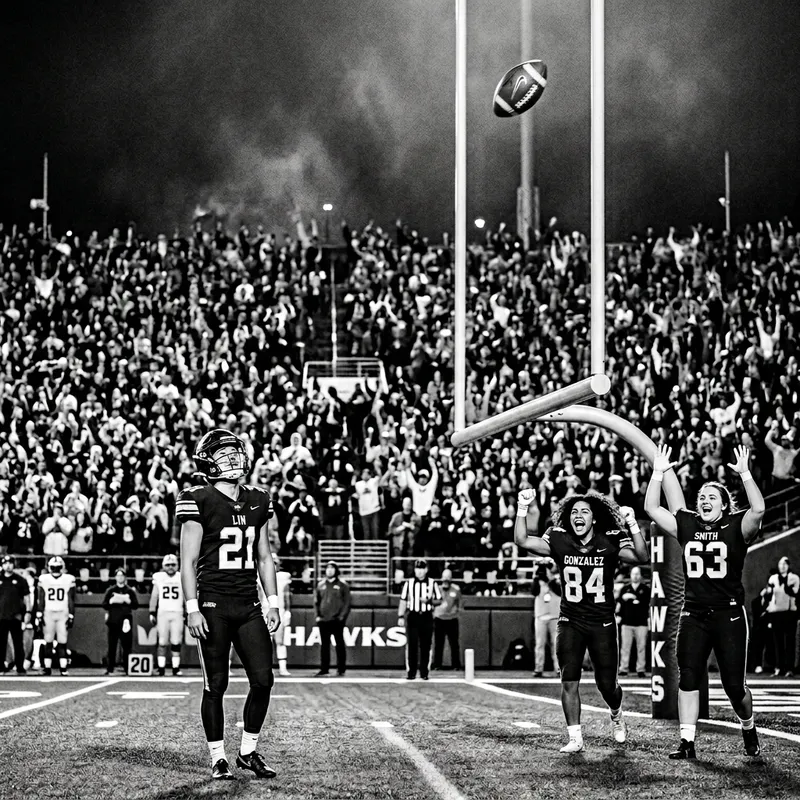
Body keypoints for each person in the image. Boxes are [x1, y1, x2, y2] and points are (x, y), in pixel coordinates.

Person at [645, 444, 765, 759]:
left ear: (725, 506)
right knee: (688, 673)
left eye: (712, 497)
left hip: (728, 614)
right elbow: (653, 509)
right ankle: (687, 742)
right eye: (701, 497)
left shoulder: (736, 526)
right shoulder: (688, 524)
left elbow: (759, 511)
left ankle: (748, 725)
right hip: (694, 613)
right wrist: (658, 472)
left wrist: (745, 474)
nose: (704, 500)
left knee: (734, 688)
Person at [179, 428, 280, 781]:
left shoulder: (257, 498)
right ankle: (218, 757)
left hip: (249, 602)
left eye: (236, 452)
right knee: (216, 684)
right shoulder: (198, 498)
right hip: (212, 603)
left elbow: (265, 556)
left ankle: (248, 752)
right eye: (225, 454)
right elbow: (187, 561)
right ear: (208, 460)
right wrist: (192, 607)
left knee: (263, 680)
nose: (234, 459)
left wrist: (274, 601)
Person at [515, 490, 649, 753]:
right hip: (570, 619)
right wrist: (522, 507)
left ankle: (616, 712)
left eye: (584, 511)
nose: (578, 515)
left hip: (602, 622)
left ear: (594, 519)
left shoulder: (609, 539)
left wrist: (632, 524)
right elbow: (521, 539)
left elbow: (642, 557)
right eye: (574, 511)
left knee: (607, 685)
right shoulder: (559, 538)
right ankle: (575, 737)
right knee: (569, 679)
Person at [398, 559, 442, 681]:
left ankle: (424, 671)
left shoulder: (432, 583)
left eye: (422, 569)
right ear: (415, 570)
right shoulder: (409, 583)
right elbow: (403, 600)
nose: (419, 571)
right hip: (413, 615)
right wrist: (401, 616)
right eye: (417, 569)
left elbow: (439, 600)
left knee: (426, 645)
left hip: (426, 616)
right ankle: (411, 672)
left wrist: (429, 601)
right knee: (412, 644)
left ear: (426, 570)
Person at [35, 556, 76, 676]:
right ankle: (58, 668)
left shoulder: (46, 578)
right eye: (54, 567)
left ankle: (57, 668)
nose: (56, 570)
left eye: (57, 567)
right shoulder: (66, 579)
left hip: (55, 612)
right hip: (56, 612)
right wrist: (72, 614)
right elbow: (71, 600)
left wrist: (39, 613)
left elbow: (41, 599)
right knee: (53, 641)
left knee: (56, 642)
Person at [149, 554, 185, 677]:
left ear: (177, 565)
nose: (170, 567)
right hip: (163, 612)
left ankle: (175, 668)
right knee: (162, 642)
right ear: (163, 565)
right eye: (168, 565)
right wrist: (152, 611)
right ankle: (161, 668)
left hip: (177, 612)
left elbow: (186, 595)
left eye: (173, 565)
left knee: (176, 641)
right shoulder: (159, 578)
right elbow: (155, 596)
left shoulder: (182, 577)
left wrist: (188, 611)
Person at [763, 556, 799, 677]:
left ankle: (789, 668)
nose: (782, 566)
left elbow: (795, 593)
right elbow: (768, 592)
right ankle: (778, 667)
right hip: (776, 612)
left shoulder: (794, 578)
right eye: (780, 564)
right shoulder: (773, 578)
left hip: (789, 612)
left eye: (784, 564)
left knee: (789, 641)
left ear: (788, 566)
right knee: (777, 642)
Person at [314, 560, 351, 677]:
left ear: (336, 570)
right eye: (327, 568)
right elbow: (316, 602)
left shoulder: (343, 585)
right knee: (324, 646)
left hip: (336, 620)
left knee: (339, 644)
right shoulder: (320, 585)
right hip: (324, 620)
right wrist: (318, 616)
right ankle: (324, 669)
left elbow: (347, 602)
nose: (329, 570)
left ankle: (341, 669)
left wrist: (341, 617)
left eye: (332, 568)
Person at [102, 568, 139, 676]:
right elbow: (104, 605)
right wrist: (111, 601)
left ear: (125, 577)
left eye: (122, 576)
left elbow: (135, 605)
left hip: (125, 621)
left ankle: (128, 668)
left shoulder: (130, 591)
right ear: (115, 577)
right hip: (113, 621)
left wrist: (128, 601)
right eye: (118, 576)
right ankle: (110, 668)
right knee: (112, 646)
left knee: (126, 646)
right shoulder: (111, 590)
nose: (120, 578)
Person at [617, 565, 651, 677]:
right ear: (630, 575)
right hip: (627, 622)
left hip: (641, 622)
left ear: (640, 576)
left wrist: (633, 598)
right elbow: (619, 604)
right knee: (625, 648)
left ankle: (640, 669)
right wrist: (618, 616)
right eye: (633, 574)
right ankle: (623, 668)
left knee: (641, 647)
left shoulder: (646, 589)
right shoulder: (625, 588)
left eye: (637, 574)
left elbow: (648, 604)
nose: (635, 576)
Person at [0, 555, 30, 675]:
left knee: (18, 643)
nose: (8, 566)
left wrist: (28, 612)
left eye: (10, 563)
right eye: (6, 563)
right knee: (0, 643)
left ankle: (20, 667)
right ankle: (1, 667)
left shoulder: (20, 580)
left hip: (16, 616)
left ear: (14, 565)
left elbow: (27, 598)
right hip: (1, 616)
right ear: (2, 565)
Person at [532, 562, 560, 678]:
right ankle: (538, 668)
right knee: (539, 644)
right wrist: (536, 574)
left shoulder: (557, 581)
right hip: (541, 615)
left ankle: (558, 668)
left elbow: (559, 591)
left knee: (557, 644)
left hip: (555, 615)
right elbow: (534, 591)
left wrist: (551, 578)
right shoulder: (538, 581)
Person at [266, 554, 292, 677]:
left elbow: (287, 596)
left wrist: (287, 611)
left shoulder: (283, 577)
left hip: (279, 610)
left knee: (280, 641)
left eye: (275, 563)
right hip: (264, 610)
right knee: (265, 642)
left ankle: (283, 668)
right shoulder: (260, 576)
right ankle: (265, 668)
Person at [432, 568, 462, 670]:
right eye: (444, 577)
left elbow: (459, 604)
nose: (446, 579)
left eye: (448, 577)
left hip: (452, 619)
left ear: (451, 578)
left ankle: (456, 665)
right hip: (439, 619)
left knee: (454, 644)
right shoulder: (437, 589)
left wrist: (454, 612)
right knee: (438, 644)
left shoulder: (456, 589)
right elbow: (432, 602)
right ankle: (437, 665)